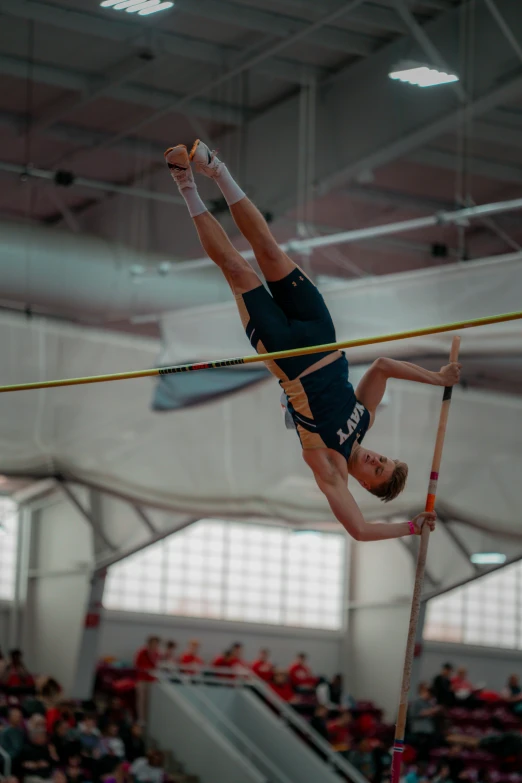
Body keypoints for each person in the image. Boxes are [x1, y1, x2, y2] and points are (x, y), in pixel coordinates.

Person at [164, 142, 453, 542]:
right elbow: (385, 365)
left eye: (377, 469)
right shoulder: (362, 420)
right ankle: (217, 170)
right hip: (320, 330)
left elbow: (359, 529)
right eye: (384, 459)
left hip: (287, 354)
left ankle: (185, 184)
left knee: (236, 267)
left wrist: (409, 527)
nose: (375, 459)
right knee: (267, 249)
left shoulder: (331, 469)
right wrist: (437, 379)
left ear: (366, 486)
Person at [409, 683, 443, 760]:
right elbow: (414, 714)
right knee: (419, 751)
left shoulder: (429, 703)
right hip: (419, 730)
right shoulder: (416, 702)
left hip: (429, 731)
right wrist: (432, 711)